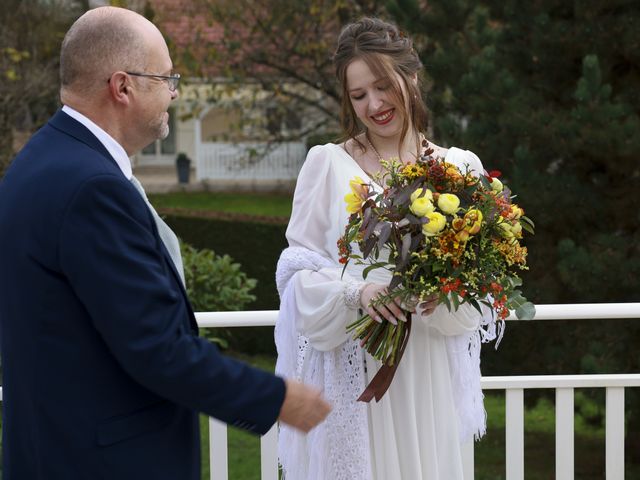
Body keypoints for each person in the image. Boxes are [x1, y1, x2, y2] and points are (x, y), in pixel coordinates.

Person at [0, 6, 330, 479]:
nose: (174, 93)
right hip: (104, 461)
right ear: (123, 86)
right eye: (167, 78)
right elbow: (156, 348)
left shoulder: (39, 160)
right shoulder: (91, 187)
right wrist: (277, 398)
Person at [275, 17, 499, 480]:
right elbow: (296, 274)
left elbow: (480, 296)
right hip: (358, 370)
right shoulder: (328, 166)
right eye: (358, 95)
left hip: (428, 375)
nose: (374, 104)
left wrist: (447, 292)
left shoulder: (460, 169)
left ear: (411, 77)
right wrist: (356, 295)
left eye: (382, 86)